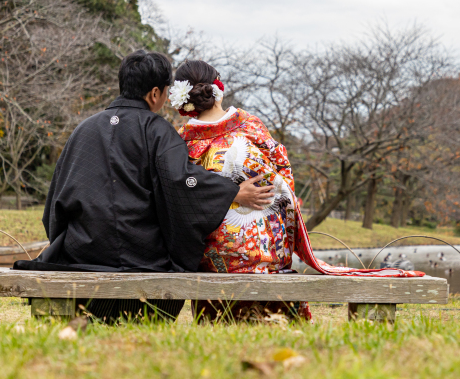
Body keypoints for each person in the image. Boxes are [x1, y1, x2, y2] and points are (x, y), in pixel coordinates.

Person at [14, 50, 274, 322]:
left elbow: (56, 201)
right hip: (144, 258)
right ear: (154, 94)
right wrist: (233, 191)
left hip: (80, 253)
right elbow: (183, 183)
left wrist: (71, 243)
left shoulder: (83, 130)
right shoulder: (157, 131)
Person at [170, 60, 425, 322]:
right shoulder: (248, 124)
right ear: (217, 87)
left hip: (213, 255)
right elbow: (283, 171)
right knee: (272, 224)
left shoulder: (181, 140)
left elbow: (182, 195)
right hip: (265, 249)